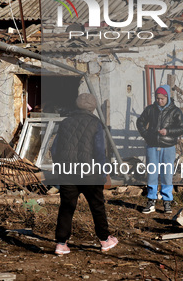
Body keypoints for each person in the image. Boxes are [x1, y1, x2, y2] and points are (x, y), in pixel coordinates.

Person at [50, 93, 118, 255]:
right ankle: (104, 240)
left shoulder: (65, 122)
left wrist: (60, 167)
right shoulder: (96, 124)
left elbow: (54, 149)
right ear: (93, 107)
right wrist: (104, 172)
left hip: (68, 173)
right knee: (97, 207)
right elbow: (100, 152)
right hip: (90, 174)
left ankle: (61, 244)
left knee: (66, 208)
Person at [136, 85, 183, 214]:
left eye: (162, 99)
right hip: (152, 146)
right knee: (152, 174)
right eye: (157, 98)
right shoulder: (150, 109)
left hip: (168, 147)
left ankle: (167, 202)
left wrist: (168, 131)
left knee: (167, 175)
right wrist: (147, 135)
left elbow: (182, 128)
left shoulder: (175, 111)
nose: (159, 101)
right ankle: (151, 201)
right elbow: (140, 122)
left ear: (167, 97)